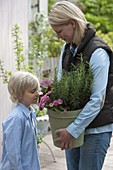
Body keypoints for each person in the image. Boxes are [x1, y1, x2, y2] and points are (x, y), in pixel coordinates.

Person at [48, 1, 113, 170]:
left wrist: (72, 130)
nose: (58, 36)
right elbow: (62, 86)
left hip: (95, 130)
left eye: (59, 31)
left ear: (72, 23)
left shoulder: (98, 52)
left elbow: (97, 100)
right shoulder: (67, 49)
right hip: (73, 127)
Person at [0, 71, 40, 170]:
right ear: (20, 94)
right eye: (32, 91)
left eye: (37, 90)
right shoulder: (16, 118)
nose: (37, 94)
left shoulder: (31, 113)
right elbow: (13, 152)